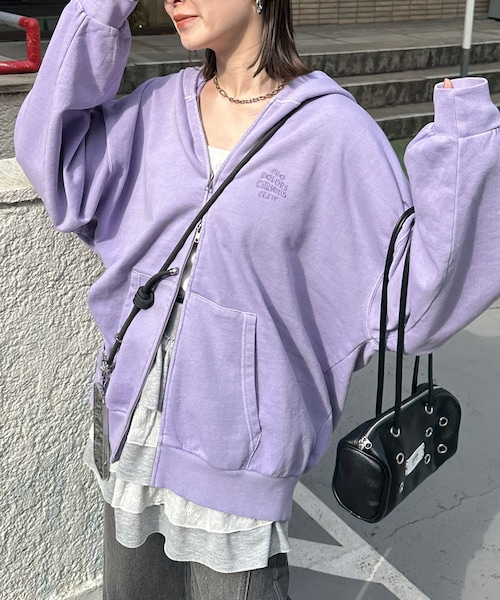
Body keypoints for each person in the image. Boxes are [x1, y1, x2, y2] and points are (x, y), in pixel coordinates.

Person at [14, 0, 500, 598]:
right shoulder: (155, 108)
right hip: (130, 430)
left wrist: (465, 145)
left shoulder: (333, 133)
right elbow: (53, 159)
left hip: (237, 464)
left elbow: (413, 300)